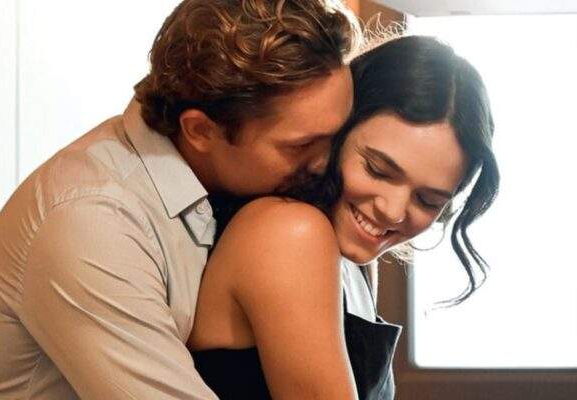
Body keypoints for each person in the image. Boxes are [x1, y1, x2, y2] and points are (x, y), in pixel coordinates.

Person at [0, 1, 361, 399]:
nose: (326, 163)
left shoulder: (218, 182)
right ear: (200, 131)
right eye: (300, 145)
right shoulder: (93, 220)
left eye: (337, 134)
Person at [186, 35, 500, 399]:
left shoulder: (350, 254)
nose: (393, 211)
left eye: (428, 200)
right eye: (378, 170)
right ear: (336, 130)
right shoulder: (289, 232)